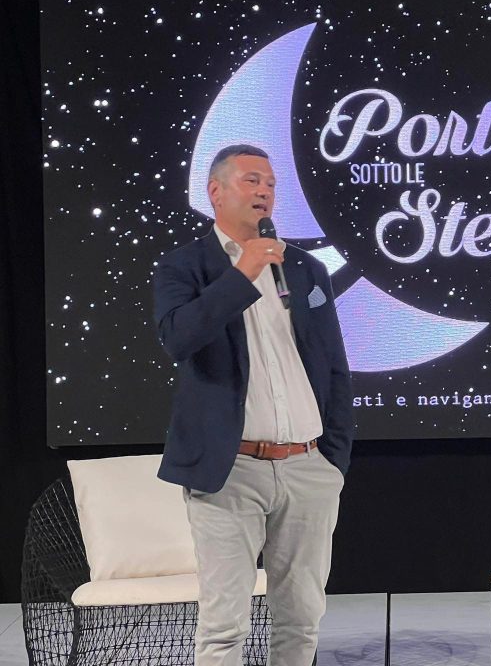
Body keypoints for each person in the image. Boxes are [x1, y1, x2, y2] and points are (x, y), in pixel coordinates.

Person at [153, 144, 354, 666]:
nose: (264, 190)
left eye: (270, 183)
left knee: (301, 620)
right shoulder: (184, 266)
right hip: (230, 469)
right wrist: (242, 272)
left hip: (308, 467)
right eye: (251, 180)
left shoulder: (304, 268)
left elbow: (333, 367)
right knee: (224, 626)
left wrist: (332, 459)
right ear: (215, 192)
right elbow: (179, 338)